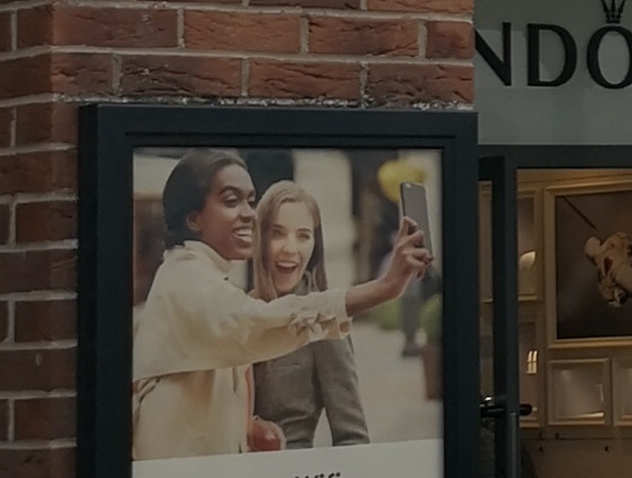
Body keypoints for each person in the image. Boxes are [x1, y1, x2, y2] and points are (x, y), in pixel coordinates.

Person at [132, 150, 425, 460]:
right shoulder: (191, 282)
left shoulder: (216, 286)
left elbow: (351, 435)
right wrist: (383, 287)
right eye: (231, 201)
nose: (248, 214)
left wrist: (252, 432)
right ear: (194, 219)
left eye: (251, 201)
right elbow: (252, 321)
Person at [251, 180, 372, 447]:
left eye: (303, 236)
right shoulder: (238, 309)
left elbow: (352, 437)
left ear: (314, 246)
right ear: (258, 238)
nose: (290, 248)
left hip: (291, 469)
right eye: (277, 234)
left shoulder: (323, 320)